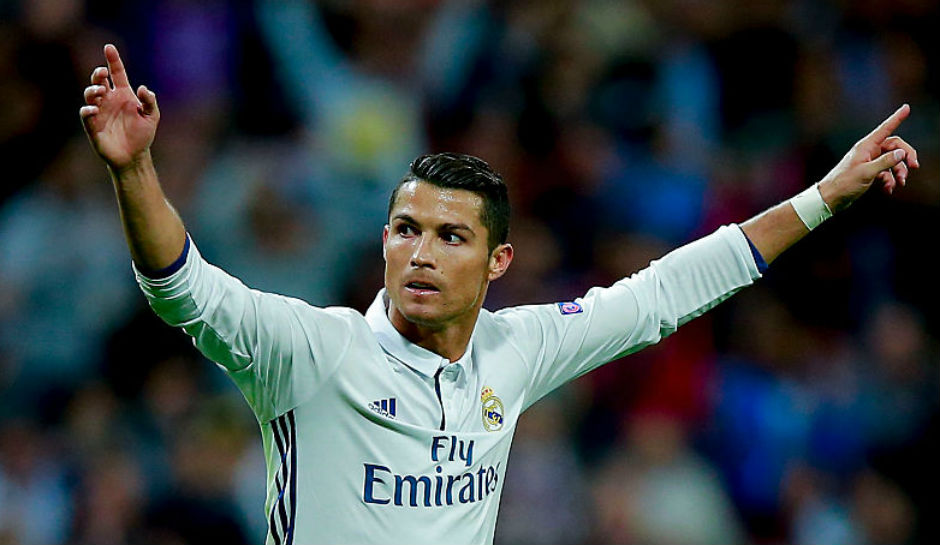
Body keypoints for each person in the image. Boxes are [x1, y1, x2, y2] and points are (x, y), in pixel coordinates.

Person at [80, 44, 918, 545]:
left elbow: (668, 289)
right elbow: (180, 287)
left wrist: (822, 197)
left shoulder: (516, 349)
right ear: (382, 239)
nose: (420, 252)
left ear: (497, 262)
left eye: (451, 237)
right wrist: (135, 170)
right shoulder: (311, 350)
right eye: (405, 228)